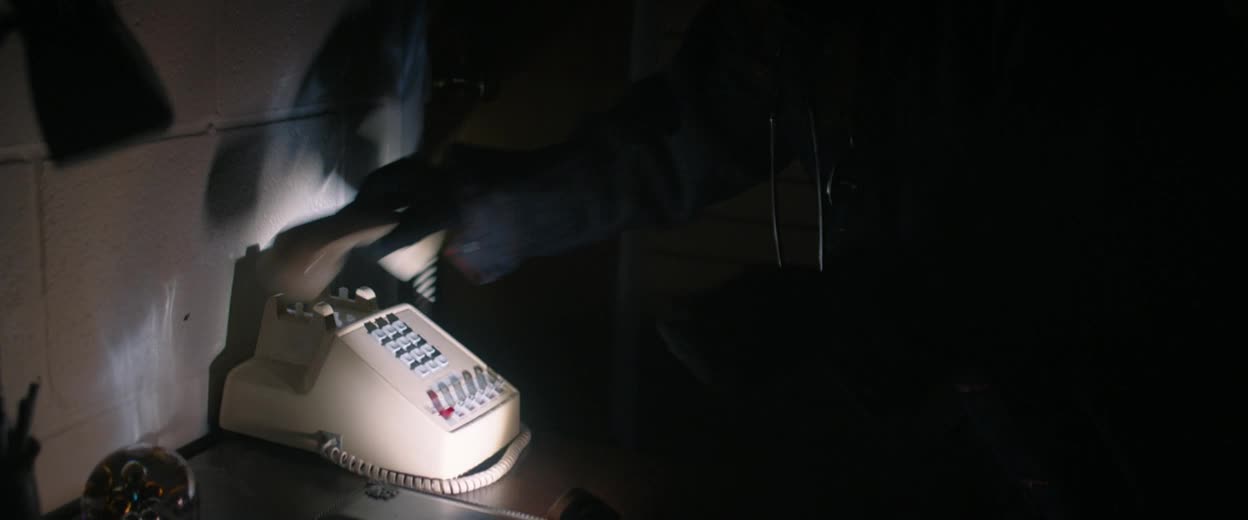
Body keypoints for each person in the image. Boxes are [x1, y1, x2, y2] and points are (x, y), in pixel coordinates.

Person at [260, 1, 1247, 517]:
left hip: (1122, 429)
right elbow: (692, 128)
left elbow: (1095, 240)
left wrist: (845, 313)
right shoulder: (793, 18)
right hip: (928, 424)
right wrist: (478, 206)